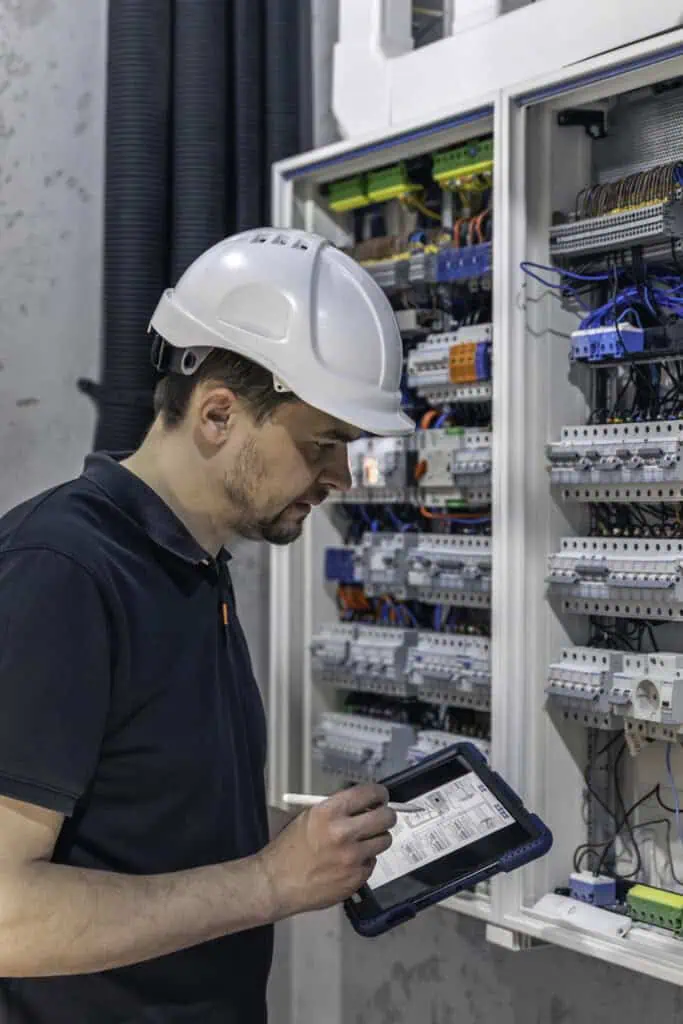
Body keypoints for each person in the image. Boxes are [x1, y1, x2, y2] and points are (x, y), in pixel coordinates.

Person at [0, 228, 415, 1023]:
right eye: (323, 443)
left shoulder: (192, 567)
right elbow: (5, 911)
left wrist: (306, 856)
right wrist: (268, 882)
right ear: (218, 414)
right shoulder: (62, 573)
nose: (338, 477)